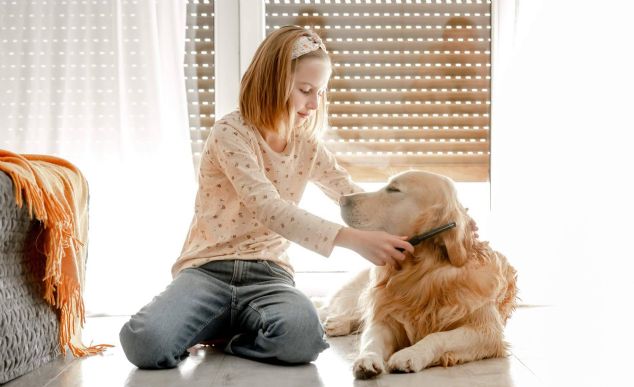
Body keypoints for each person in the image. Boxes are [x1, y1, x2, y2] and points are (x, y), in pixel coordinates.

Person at [119, 25, 414, 369]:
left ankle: (229, 335)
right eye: (306, 90)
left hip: (270, 276)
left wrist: (421, 222)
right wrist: (353, 240)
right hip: (207, 271)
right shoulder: (231, 133)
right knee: (144, 343)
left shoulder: (306, 145)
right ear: (275, 83)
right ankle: (216, 321)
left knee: (304, 337)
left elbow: (350, 194)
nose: (314, 103)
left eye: (320, 92)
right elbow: (268, 208)